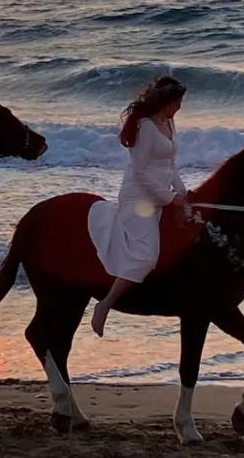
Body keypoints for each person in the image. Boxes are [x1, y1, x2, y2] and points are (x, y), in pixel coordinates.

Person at [89, 75, 189, 337]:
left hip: (161, 193)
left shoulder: (168, 122)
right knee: (146, 256)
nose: (179, 107)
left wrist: (181, 191)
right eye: (177, 102)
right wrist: (169, 199)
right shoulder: (144, 126)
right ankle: (105, 304)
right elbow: (142, 172)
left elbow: (170, 164)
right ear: (166, 101)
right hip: (139, 198)